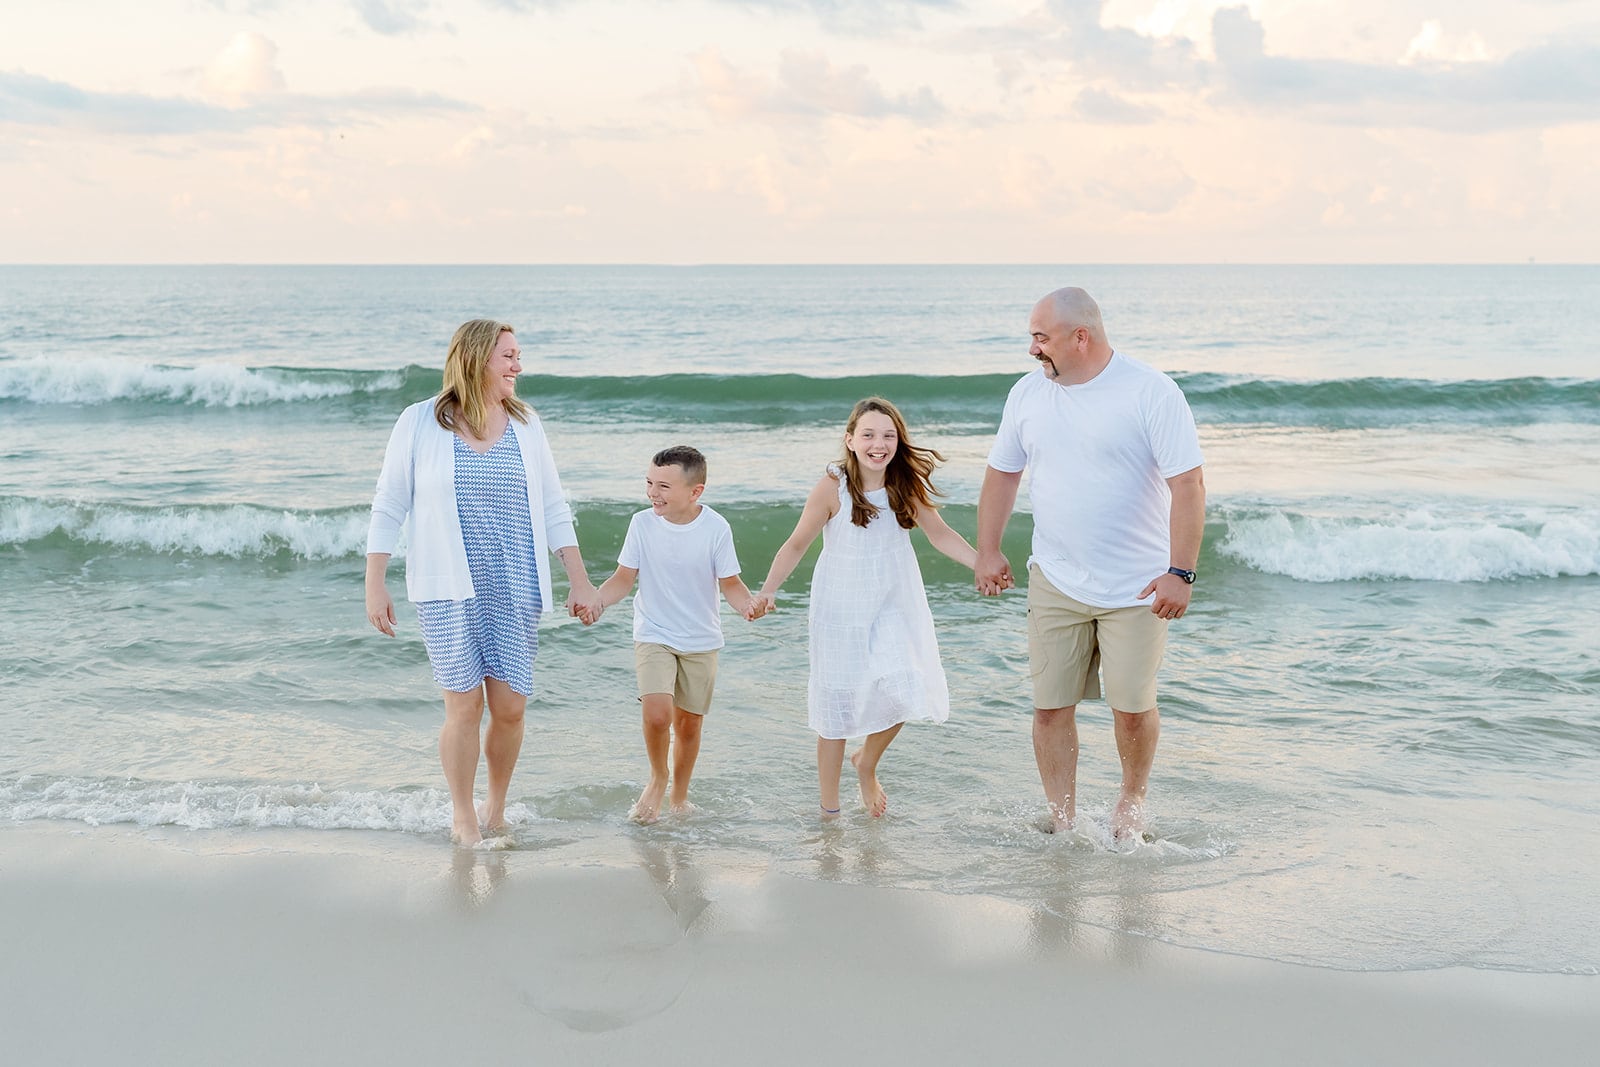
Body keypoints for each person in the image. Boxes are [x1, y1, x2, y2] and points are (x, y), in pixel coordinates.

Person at [975, 287, 1205, 840]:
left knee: (1131, 707)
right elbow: (1003, 474)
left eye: (1041, 337)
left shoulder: (1151, 391)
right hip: (1055, 577)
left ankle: (1131, 800)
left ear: (1081, 336)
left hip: (1137, 587)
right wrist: (987, 549)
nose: (1032, 350)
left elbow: (1188, 484)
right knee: (1051, 708)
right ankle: (1064, 818)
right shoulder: (1028, 394)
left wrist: (1181, 571)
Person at [364, 318, 602, 847]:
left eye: (518, 356)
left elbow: (553, 507)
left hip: (515, 579)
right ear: (475, 359)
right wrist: (374, 582)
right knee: (464, 706)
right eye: (509, 356)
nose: (519, 366)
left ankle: (496, 806)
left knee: (511, 708)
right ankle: (463, 815)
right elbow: (389, 504)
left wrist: (580, 581)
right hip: (448, 587)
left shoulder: (527, 423)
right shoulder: (420, 422)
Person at [754, 398, 977, 819]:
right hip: (840, 608)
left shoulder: (903, 484)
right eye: (870, 435)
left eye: (889, 435)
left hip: (894, 602)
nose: (880, 444)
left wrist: (982, 562)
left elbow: (941, 534)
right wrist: (767, 590)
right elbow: (797, 542)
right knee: (836, 708)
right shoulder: (832, 487)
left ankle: (867, 762)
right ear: (850, 441)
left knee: (904, 688)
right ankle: (829, 812)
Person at [588, 445, 764, 824]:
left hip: (701, 640)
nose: (653, 492)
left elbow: (731, 584)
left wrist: (747, 605)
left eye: (664, 486)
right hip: (654, 632)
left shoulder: (716, 528)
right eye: (649, 482)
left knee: (688, 725)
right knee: (656, 714)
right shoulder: (642, 524)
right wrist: (598, 601)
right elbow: (622, 579)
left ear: (695, 491)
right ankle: (658, 778)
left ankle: (680, 796)